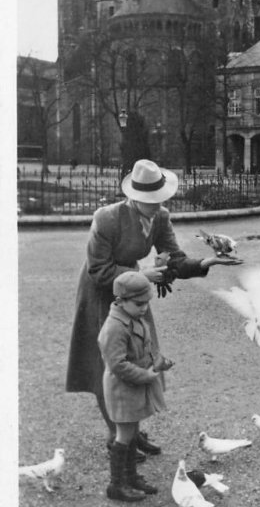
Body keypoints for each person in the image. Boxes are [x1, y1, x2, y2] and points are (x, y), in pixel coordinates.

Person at [66, 159, 239, 460]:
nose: (156, 205)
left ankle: (131, 431)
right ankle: (117, 437)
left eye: (159, 199)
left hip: (135, 290)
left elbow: (175, 259)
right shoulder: (106, 218)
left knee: (140, 356)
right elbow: (98, 270)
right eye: (149, 200)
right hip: (102, 292)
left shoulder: (160, 217)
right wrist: (143, 276)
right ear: (133, 197)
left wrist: (204, 263)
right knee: (111, 363)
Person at [98, 271, 173, 502]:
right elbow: (118, 365)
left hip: (134, 387)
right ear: (120, 301)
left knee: (131, 433)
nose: (144, 308)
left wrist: (158, 362)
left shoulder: (134, 318)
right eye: (139, 303)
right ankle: (117, 485)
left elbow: (146, 347)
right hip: (123, 390)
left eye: (146, 303)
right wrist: (147, 374)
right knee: (123, 435)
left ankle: (131, 477)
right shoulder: (115, 328)